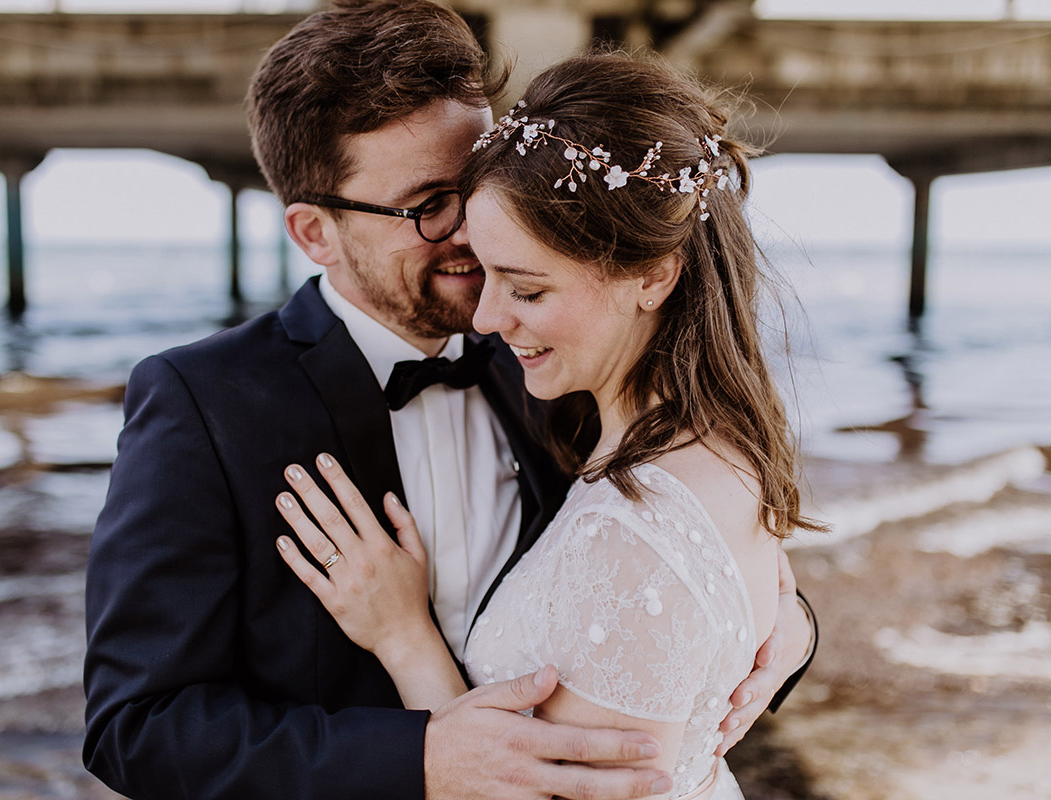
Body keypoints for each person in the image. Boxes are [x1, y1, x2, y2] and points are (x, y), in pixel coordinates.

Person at [82, 2, 816, 798]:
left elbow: (660, 569)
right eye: (430, 204)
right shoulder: (205, 404)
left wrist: (788, 630)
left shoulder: (554, 353)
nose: (477, 229)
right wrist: (420, 757)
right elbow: (136, 727)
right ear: (314, 233)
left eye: (477, 181)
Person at [272, 51, 825, 800]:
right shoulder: (685, 440)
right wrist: (775, 623)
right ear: (313, 230)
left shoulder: (634, 516)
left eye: (526, 289)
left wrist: (406, 642)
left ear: (655, 276)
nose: (487, 318)